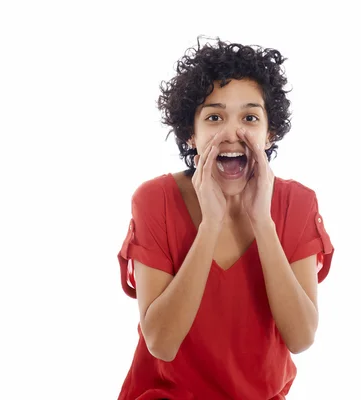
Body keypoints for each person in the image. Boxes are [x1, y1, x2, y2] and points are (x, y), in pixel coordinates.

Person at [116, 37, 334, 400]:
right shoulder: (154, 201)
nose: (233, 133)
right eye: (214, 117)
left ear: (270, 133)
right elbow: (161, 344)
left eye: (250, 117)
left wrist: (263, 222)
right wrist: (209, 224)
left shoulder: (297, 203)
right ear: (191, 134)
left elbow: (301, 337)